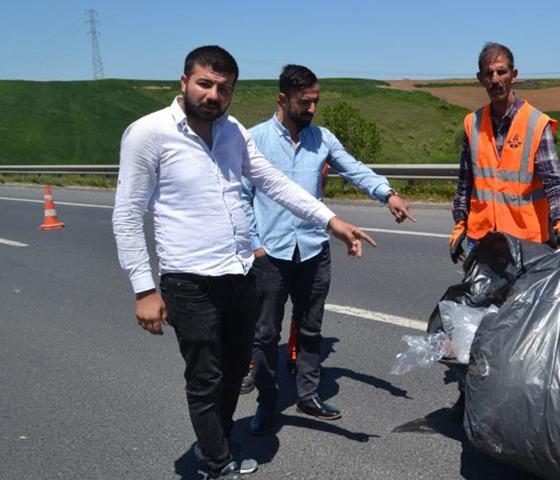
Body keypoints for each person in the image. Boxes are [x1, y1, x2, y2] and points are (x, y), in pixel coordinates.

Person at [111, 46, 375, 480]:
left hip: (239, 274)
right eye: (205, 84)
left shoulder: (232, 131)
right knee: (206, 376)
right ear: (184, 83)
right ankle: (217, 463)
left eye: (224, 88)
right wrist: (144, 288)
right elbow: (126, 213)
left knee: (235, 370)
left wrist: (331, 221)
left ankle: (211, 444)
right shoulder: (148, 133)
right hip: (188, 279)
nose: (213, 95)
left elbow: (273, 181)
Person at [240, 64, 415, 434]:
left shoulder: (322, 139)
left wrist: (388, 194)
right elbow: (240, 199)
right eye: (305, 103)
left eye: (316, 101)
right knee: (266, 334)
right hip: (270, 253)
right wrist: (254, 247)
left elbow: (355, 169)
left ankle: (307, 397)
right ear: (283, 99)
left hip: (314, 251)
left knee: (309, 329)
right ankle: (267, 405)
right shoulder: (253, 140)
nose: (312, 110)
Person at [447, 42, 560, 411]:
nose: (495, 79)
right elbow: (465, 183)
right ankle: (469, 395)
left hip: (524, 248)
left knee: (519, 330)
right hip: (481, 245)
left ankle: (518, 404)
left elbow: (554, 183)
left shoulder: (536, 124)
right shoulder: (472, 124)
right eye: (489, 74)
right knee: (473, 324)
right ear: (480, 79)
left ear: (514, 75)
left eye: (502, 71)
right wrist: (460, 224)